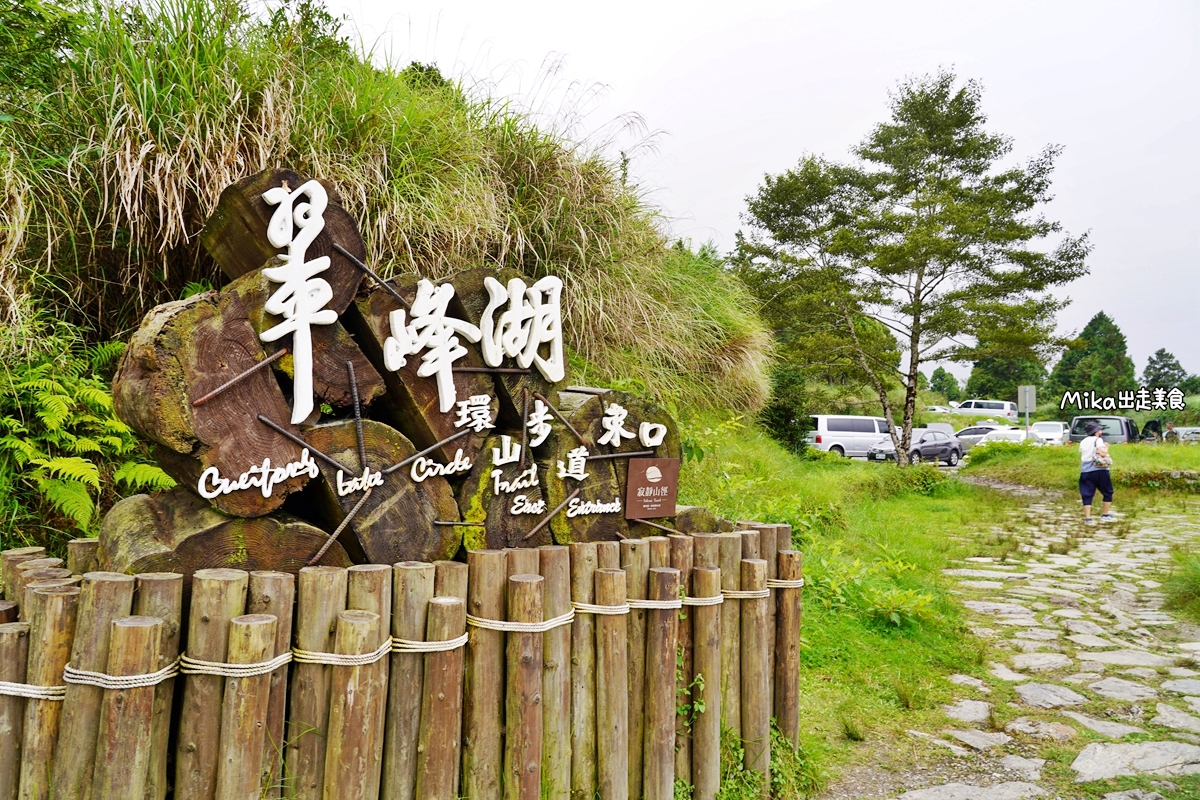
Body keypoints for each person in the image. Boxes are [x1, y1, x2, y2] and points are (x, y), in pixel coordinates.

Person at [1079, 421, 1115, 524]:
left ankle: (1088, 518)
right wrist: (1106, 447)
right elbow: (1103, 453)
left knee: (1087, 494)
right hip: (1099, 470)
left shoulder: (1083, 441)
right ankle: (1105, 515)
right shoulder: (1098, 440)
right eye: (1099, 430)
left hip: (1085, 471)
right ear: (1096, 432)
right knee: (1108, 492)